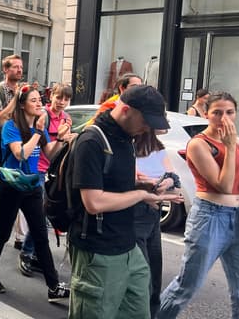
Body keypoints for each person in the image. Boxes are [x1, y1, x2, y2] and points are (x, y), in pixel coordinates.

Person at [68, 85, 183, 318]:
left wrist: (148, 187)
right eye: (146, 121)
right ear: (127, 110)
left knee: (140, 311)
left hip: (129, 245)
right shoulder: (92, 141)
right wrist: (141, 195)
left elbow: (119, 183)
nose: (148, 128)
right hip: (98, 251)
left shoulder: (127, 138)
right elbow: (94, 202)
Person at [158, 92, 239, 319]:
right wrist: (230, 147)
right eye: (217, 113)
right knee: (187, 286)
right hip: (210, 218)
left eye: (230, 112)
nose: (224, 118)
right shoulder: (198, 144)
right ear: (206, 114)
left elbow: (237, 179)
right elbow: (222, 185)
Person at [0, 86, 70, 300]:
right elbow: (20, 154)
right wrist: (38, 132)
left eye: (40, 100)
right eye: (34, 101)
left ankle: (53, 286)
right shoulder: (11, 127)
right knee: (3, 232)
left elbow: (49, 154)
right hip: (10, 186)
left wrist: (64, 139)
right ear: (22, 105)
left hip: (31, 187)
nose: (40, 104)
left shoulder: (39, 126)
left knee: (40, 235)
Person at [18, 83, 76, 274]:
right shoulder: (42, 115)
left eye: (66, 99)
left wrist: (68, 139)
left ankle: (34, 255)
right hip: (37, 169)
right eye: (59, 97)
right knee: (39, 216)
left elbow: (58, 149)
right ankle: (27, 253)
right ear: (52, 96)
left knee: (46, 215)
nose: (62, 102)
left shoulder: (66, 118)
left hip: (54, 171)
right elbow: (44, 147)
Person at [134, 130, 178, 318]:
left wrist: (166, 181)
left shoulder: (158, 147)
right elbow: (122, 181)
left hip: (153, 215)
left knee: (154, 274)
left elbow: (174, 178)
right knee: (143, 276)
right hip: (134, 214)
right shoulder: (128, 145)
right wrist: (145, 184)